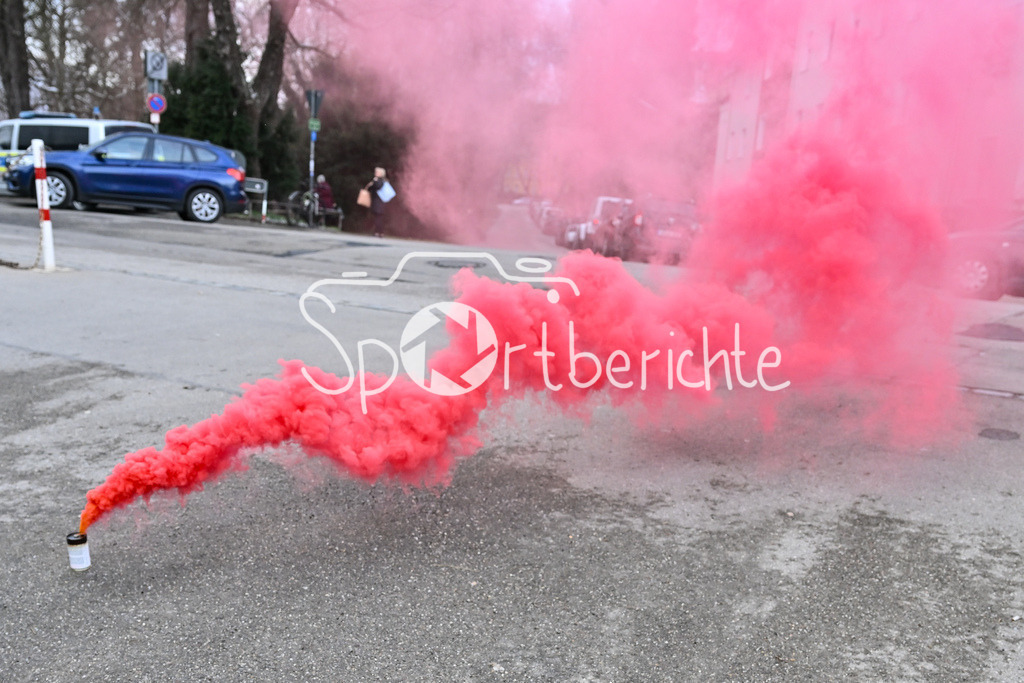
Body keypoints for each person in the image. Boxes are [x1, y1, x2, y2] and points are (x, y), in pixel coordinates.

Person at [366, 167, 388, 237]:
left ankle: (378, 232)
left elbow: (378, 187)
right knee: (378, 218)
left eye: (377, 172)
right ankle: (379, 232)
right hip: (378, 202)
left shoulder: (380, 181)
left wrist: (374, 181)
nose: (375, 173)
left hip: (378, 202)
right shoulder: (381, 181)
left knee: (378, 218)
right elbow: (370, 189)